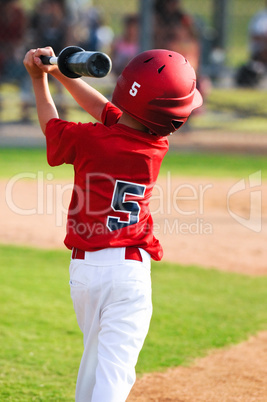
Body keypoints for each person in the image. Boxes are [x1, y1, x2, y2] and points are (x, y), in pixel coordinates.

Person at [23, 45, 202, 401]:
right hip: (128, 276)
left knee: (93, 374)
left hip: (84, 276)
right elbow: (107, 111)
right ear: (173, 116)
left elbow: (53, 125)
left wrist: (41, 79)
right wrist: (58, 72)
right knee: (112, 379)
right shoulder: (156, 144)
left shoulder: (90, 140)